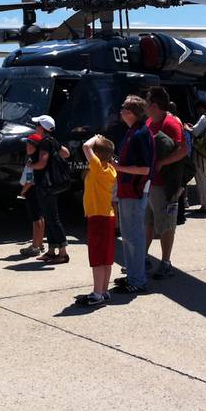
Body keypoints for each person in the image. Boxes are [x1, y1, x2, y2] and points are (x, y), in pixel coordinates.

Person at [144, 86, 187, 280]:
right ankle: (143, 258)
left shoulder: (170, 124)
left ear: (154, 104)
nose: (145, 105)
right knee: (148, 223)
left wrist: (162, 162)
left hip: (165, 184)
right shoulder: (150, 122)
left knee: (166, 225)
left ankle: (166, 262)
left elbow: (182, 150)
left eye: (147, 101)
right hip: (151, 183)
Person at [112, 95, 154, 295]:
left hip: (134, 192)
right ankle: (132, 275)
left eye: (125, 109)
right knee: (128, 236)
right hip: (127, 190)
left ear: (133, 113)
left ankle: (137, 280)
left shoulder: (140, 134)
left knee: (134, 236)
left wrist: (119, 167)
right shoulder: (132, 132)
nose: (121, 112)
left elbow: (145, 169)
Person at [75, 134, 118, 306]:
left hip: (97, 217)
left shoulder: (98, 168)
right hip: (107, 215)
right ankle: (104, 290)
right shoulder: (111, 169)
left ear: (97, 155)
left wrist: (95, 137)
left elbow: (86, 147)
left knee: (97, 257)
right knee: (106, 256)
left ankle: (97, 293)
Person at [30, 115, 71, 264]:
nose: (36, 127)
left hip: (46, 185)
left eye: (37, 125)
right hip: (53, 185)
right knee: (50, 217)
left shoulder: (44, 143)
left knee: (53, 218)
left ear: (42, 127)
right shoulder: (53, 141)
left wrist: (30, 166)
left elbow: (41, 163)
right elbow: (66, 153)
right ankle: (52, 251)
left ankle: (63, 253)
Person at [186, 100, 206, 214]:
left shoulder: (204, 117)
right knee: (203, 176)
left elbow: (195, 132)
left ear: (201, 108)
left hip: (201, 151)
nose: (198, 111)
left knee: (201, 178)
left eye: (198, 109)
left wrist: (186, 127)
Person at [18, 134, 46, 258]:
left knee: (36, 219)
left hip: (32, 191)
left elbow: (30, 180)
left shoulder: (33, 160)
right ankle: (39, 244)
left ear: (36, 147)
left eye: (30, 144)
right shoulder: (35, 158)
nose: (27, 146)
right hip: (37, 190)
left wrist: (23, 191)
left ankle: (35, 246)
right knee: (40, 217)